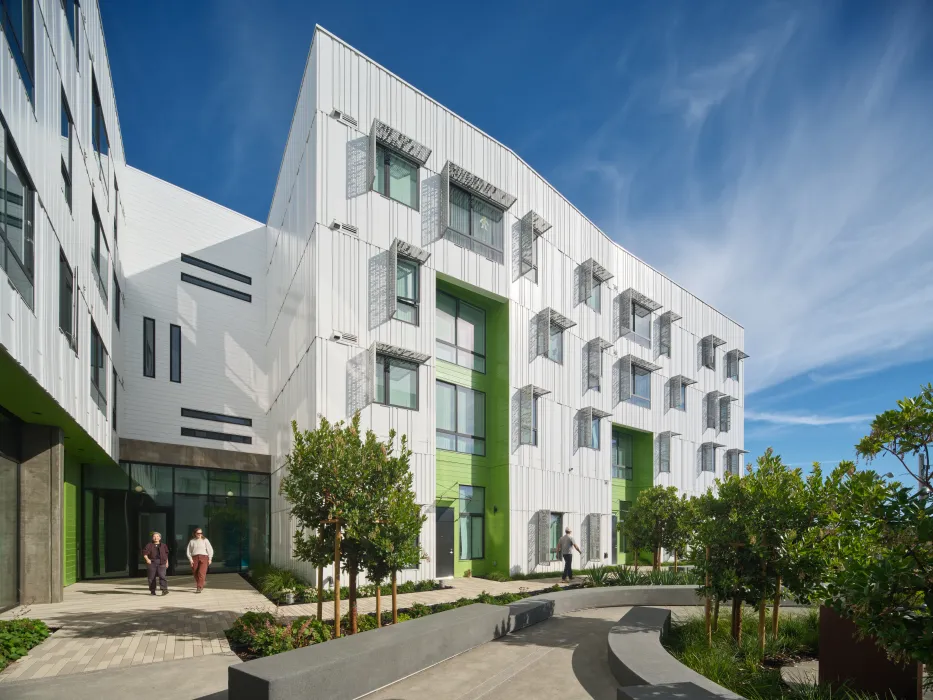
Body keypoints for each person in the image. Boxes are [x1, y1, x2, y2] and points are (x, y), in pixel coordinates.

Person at [142, 532, 170, 596]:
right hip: (152, 562)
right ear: (152, 538)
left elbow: (166, 555)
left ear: (160, 538)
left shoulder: (163, 545)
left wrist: (167, 562)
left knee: (162, 576)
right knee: (151, 577)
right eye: (154, 536)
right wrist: (147, 559)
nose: (156, 538)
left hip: (162, 562)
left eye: (157, 536)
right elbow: (144, 553)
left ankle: (164, 590)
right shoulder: (149, 545)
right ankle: (152, 591)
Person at [187, 527, 214, 593]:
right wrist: (190, 559)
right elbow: (188, 551)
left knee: (201, 573)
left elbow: (210, 549)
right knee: (195, 572)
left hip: (204, 557)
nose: (199, 534)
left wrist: (210, 558)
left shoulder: (205, 540)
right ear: (195, 533)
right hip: (194, 558)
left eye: (201, 533)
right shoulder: (192, 541)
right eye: (198, 533)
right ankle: (200, 584)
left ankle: (199, 587)